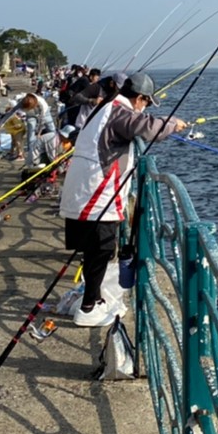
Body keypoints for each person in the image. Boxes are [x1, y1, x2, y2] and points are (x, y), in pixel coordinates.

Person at [60, 72, 188, 327]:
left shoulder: (106, 106)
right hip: (96, 191)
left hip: (84, 186)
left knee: (95, 251)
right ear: (139, 98)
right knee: (101, 249)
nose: (145, 108)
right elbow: (148, 128)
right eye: (146, 103)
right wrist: (173, 123)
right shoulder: (119, 112)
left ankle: (92, 298)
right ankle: (89, 307)